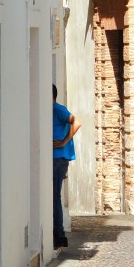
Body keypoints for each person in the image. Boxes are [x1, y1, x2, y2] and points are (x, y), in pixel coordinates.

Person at [52, 84, 81, 248]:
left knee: (54, 196)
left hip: (58, 158)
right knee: (54, 196)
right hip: (57, 158)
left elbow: (76, 122)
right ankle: (58, 234)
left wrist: (63, 142)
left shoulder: (57, 109)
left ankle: (59, 235)